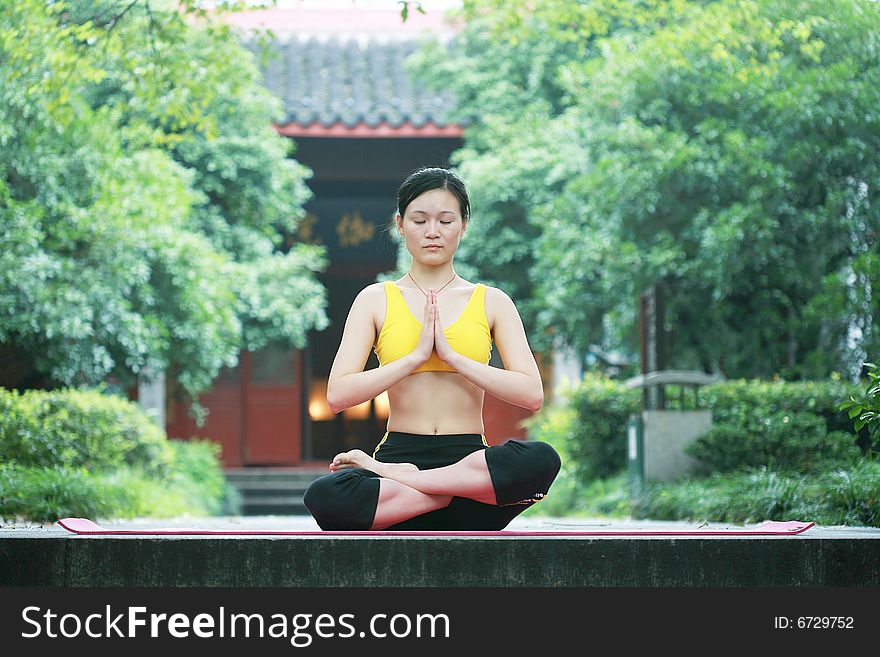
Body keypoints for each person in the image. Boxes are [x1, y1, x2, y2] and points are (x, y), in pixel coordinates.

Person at [303, 167, 560, 531]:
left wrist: (455, 358)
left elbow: (531, 395)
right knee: (324, 496)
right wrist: (415, 357)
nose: (433, 232)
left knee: (541, 459)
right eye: (420, 220)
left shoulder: (492, 301)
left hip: (469, 466)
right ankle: (435, 491)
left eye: (445, 220)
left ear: (464, 225)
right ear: (400, 224)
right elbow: (338, 395)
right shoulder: (375, 299)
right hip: (405, 468)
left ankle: (428, 487)